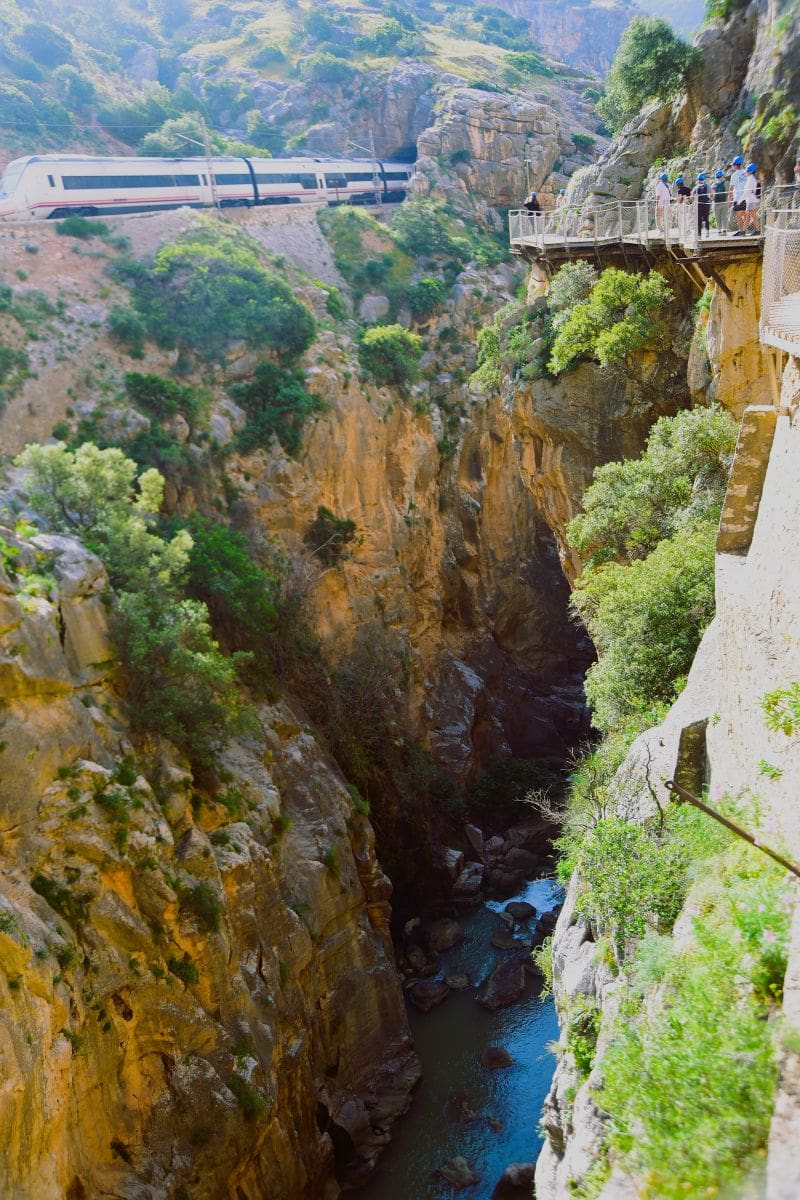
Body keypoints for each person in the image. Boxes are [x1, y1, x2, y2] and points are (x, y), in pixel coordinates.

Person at [738, 162, 761, 235]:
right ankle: (745, 231)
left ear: (750, 171)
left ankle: (756, 230)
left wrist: (740, 201)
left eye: (747, 171)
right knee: (750, 216)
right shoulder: (752, 178)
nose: (746, 172)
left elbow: (747, 192)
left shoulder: (750, 179)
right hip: (752, 200)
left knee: (751, 216)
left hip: (751, 200)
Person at [729, 154, 748, 233]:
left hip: (738, 197)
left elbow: (731, 187)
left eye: (733, 165)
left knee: (739, 215)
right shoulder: (746, 172)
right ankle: (744, 229)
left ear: (736, 165)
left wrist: (730, 196)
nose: (732, 166)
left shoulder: (734, 175)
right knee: (744, 214)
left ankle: (741, 230)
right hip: (746, 197)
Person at [693, 171, 711, 237]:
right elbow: (712, 192)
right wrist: (711, 199)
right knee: (706, 219)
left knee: (699, 220)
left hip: (699, 205)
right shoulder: (707, 186)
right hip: (706, 204)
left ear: (698, 179)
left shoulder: (696, 187)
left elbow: (692, 195)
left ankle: (699, 235)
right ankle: (707, 232)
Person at [655, 171, 671, 236]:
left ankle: (661, 231)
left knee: (658, 217)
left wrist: (657, 203)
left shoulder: (659, 185)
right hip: (667, 204)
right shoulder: (668, 185)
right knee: (665, 217)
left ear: (660, 178)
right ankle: (666, 231)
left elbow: (658, 196)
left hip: (660, 204)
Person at [712, 169, 728, 234]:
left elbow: (711, 194)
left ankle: (719, 231)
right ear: (722, 176)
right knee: (724, 216)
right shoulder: (726, 183)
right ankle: (724, 230)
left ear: (716, 177)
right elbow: (728, 192)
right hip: (724, 202)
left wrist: (712, 199)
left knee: (717, 217)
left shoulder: (714, 184)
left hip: (716, 203)